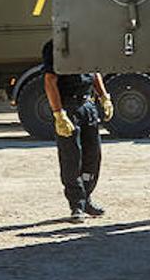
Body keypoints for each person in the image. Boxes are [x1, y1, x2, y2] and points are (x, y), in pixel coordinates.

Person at [41, 38, 112, 222]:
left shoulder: (87, 42)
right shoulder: (54, 46)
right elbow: (50, 80)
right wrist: (58, 113)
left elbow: (95, 72)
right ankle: (76, 205)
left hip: (87, 105)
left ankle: (87, 197)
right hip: (68, 107)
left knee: (92, 156)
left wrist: (104, 97)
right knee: (71, 158)